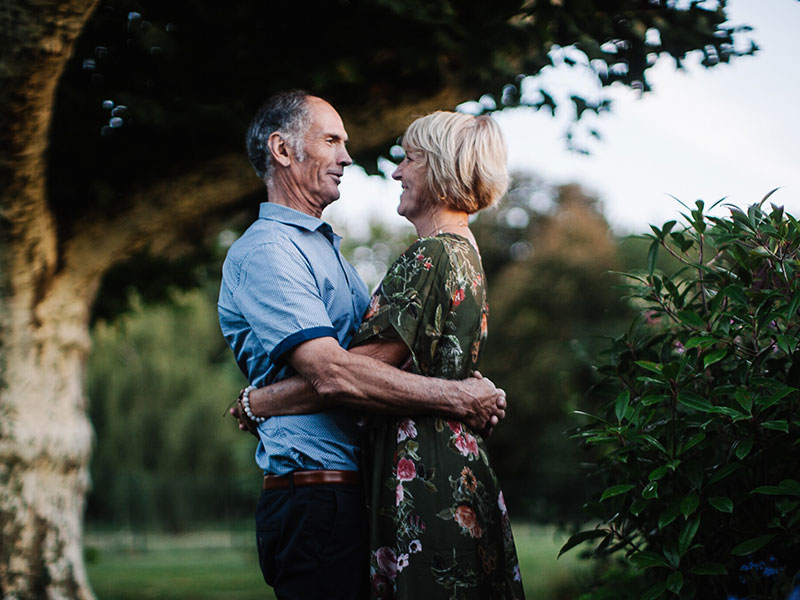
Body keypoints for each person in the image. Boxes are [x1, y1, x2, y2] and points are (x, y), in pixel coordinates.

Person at [218, 91, 507, 600]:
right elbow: (336, 373)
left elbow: (362, 367)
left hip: (365, 486)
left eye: (345, 143)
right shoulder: (268, 251)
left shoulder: (336, 252)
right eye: (331, 140)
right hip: (318, 492)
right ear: (282, 151)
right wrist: (458, 396)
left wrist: (259, 401)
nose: (349, 158)